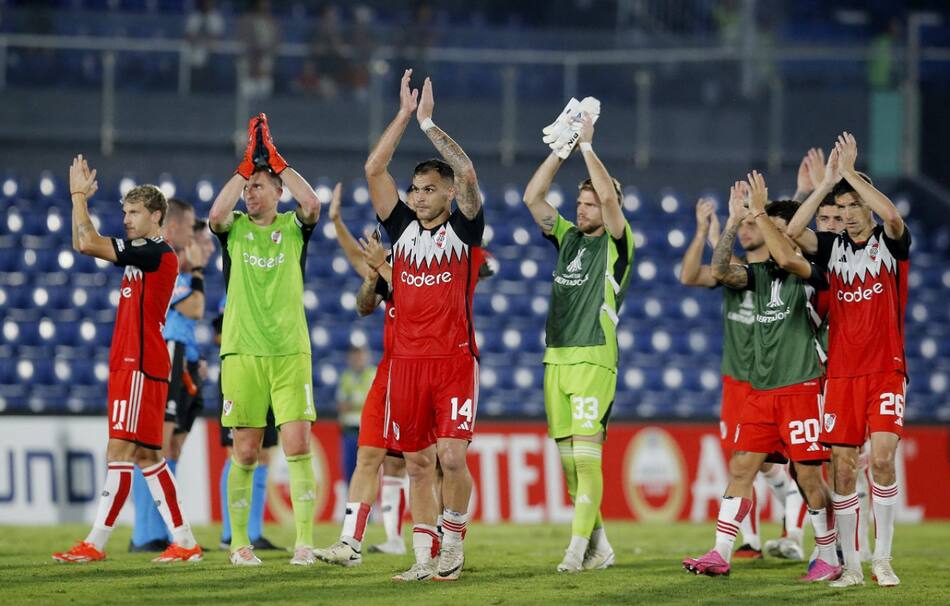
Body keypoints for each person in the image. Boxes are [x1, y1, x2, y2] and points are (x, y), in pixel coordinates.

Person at [683, 173, 839, 581]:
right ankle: (720, 552)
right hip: (761, 389)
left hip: (802, 385)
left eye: (774, 227)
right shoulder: (761, 274)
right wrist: (735, 222)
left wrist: (760, 212)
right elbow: (719, 270)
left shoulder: (813, 271)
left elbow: (788, 257)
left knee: (806, 474)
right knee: (741, 468)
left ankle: (827, 553)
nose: (766, 233)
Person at [364, 69, 483, 582]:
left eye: (428, 189)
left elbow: (472, 176)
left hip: (453, 361)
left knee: (452, 458)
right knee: (415, 465)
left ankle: (453, 544)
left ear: (448, 194)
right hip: (406, 365)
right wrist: (403, 116)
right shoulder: (401, 229)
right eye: (413, 189)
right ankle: (422, 557)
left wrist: (430, 124)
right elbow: (374, 168)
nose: (417, 196)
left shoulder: (463, 231)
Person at [53, 156, 201, 564]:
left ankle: (96, 543)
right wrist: (77, 203)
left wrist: (78, 195)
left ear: (156, 216)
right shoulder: (145, 253)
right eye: (124, 212)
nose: (128, 219)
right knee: (148, 456)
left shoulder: (152, 251)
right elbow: (81, 241)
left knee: (118, 451)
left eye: (135, 212)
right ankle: (185, 541)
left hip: (137, 362)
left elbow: (86, 242)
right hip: (141, 362)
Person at [786, 132, 909, 588]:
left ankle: (883, 558)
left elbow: (893, 216)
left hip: (885, 371)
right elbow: (793, 233)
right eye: (846, 207)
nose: (851, 214)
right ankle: (852, 566)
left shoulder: (890, 245)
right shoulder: (834, 250)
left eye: (856, 205)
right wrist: (826, 185)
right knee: (840, 465)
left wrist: (851, 173)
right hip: (840, 375)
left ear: (868, 207)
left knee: (880, 459)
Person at [522, 108, 633, 573]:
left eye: (588, 204)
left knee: (587, 463)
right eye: (580, 203)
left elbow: (609, 199)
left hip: (593, 359)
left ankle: (574, 550)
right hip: (557, 358)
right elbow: (533, 196)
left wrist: (588, 146)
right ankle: (599, 545)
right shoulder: (566, 237)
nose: (580, 208)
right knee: (570, 467)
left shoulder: (618, 242)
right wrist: (561, 150)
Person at [209, 113, 321, 566]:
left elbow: (313, 205)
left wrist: (279, 163)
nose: (251, 192)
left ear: (278, 191)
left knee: (297, 446)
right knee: (246, 449)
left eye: (260, 185)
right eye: (248, 186)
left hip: (290, 351)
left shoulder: (294, 228)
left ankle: (305, 544)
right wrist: (244, 168)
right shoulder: (233, 228)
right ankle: (240, 544)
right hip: (242, 351)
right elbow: (214, 215)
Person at [679, 191, 792, 561]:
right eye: (739, 224)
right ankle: (750, 542)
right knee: (743, 464)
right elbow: (689, 275)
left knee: (782, 466)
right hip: (736, 383)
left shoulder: (782, 275)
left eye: (749, 224)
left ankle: (792, 532)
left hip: (775, 381)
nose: (744, 231)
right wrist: (702, 232)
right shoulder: (733, 274)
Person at [129, 198, 205, 552]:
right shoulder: (163, 261)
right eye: (190, 227)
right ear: (172, 227)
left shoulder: (175, 267)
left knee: (170, 445)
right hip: (167, 355)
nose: (194, 235)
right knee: (155, 445)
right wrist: (199, 272)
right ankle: (144, 533)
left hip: (182, 358)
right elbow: (195, 308)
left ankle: (159, 528)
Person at [213, 294, 282, 552]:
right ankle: (229, 533)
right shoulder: (234, 292)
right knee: (238, 453)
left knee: (263, 456)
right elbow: (219, 334)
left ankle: (254, 532)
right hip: (239, 373)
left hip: (271, 371)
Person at [336, 345, 376, 484]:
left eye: (360, 355)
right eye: (354, 355)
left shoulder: (373, 374)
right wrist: (360, 402)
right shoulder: (346, 377)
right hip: (350, 431)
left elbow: (374, 404)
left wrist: (353, 402)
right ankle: (350, 503)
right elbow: (341, 405)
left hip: (369, 431)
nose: (357, 359)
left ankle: (371, 504)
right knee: (349, 471)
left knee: (369, 469)